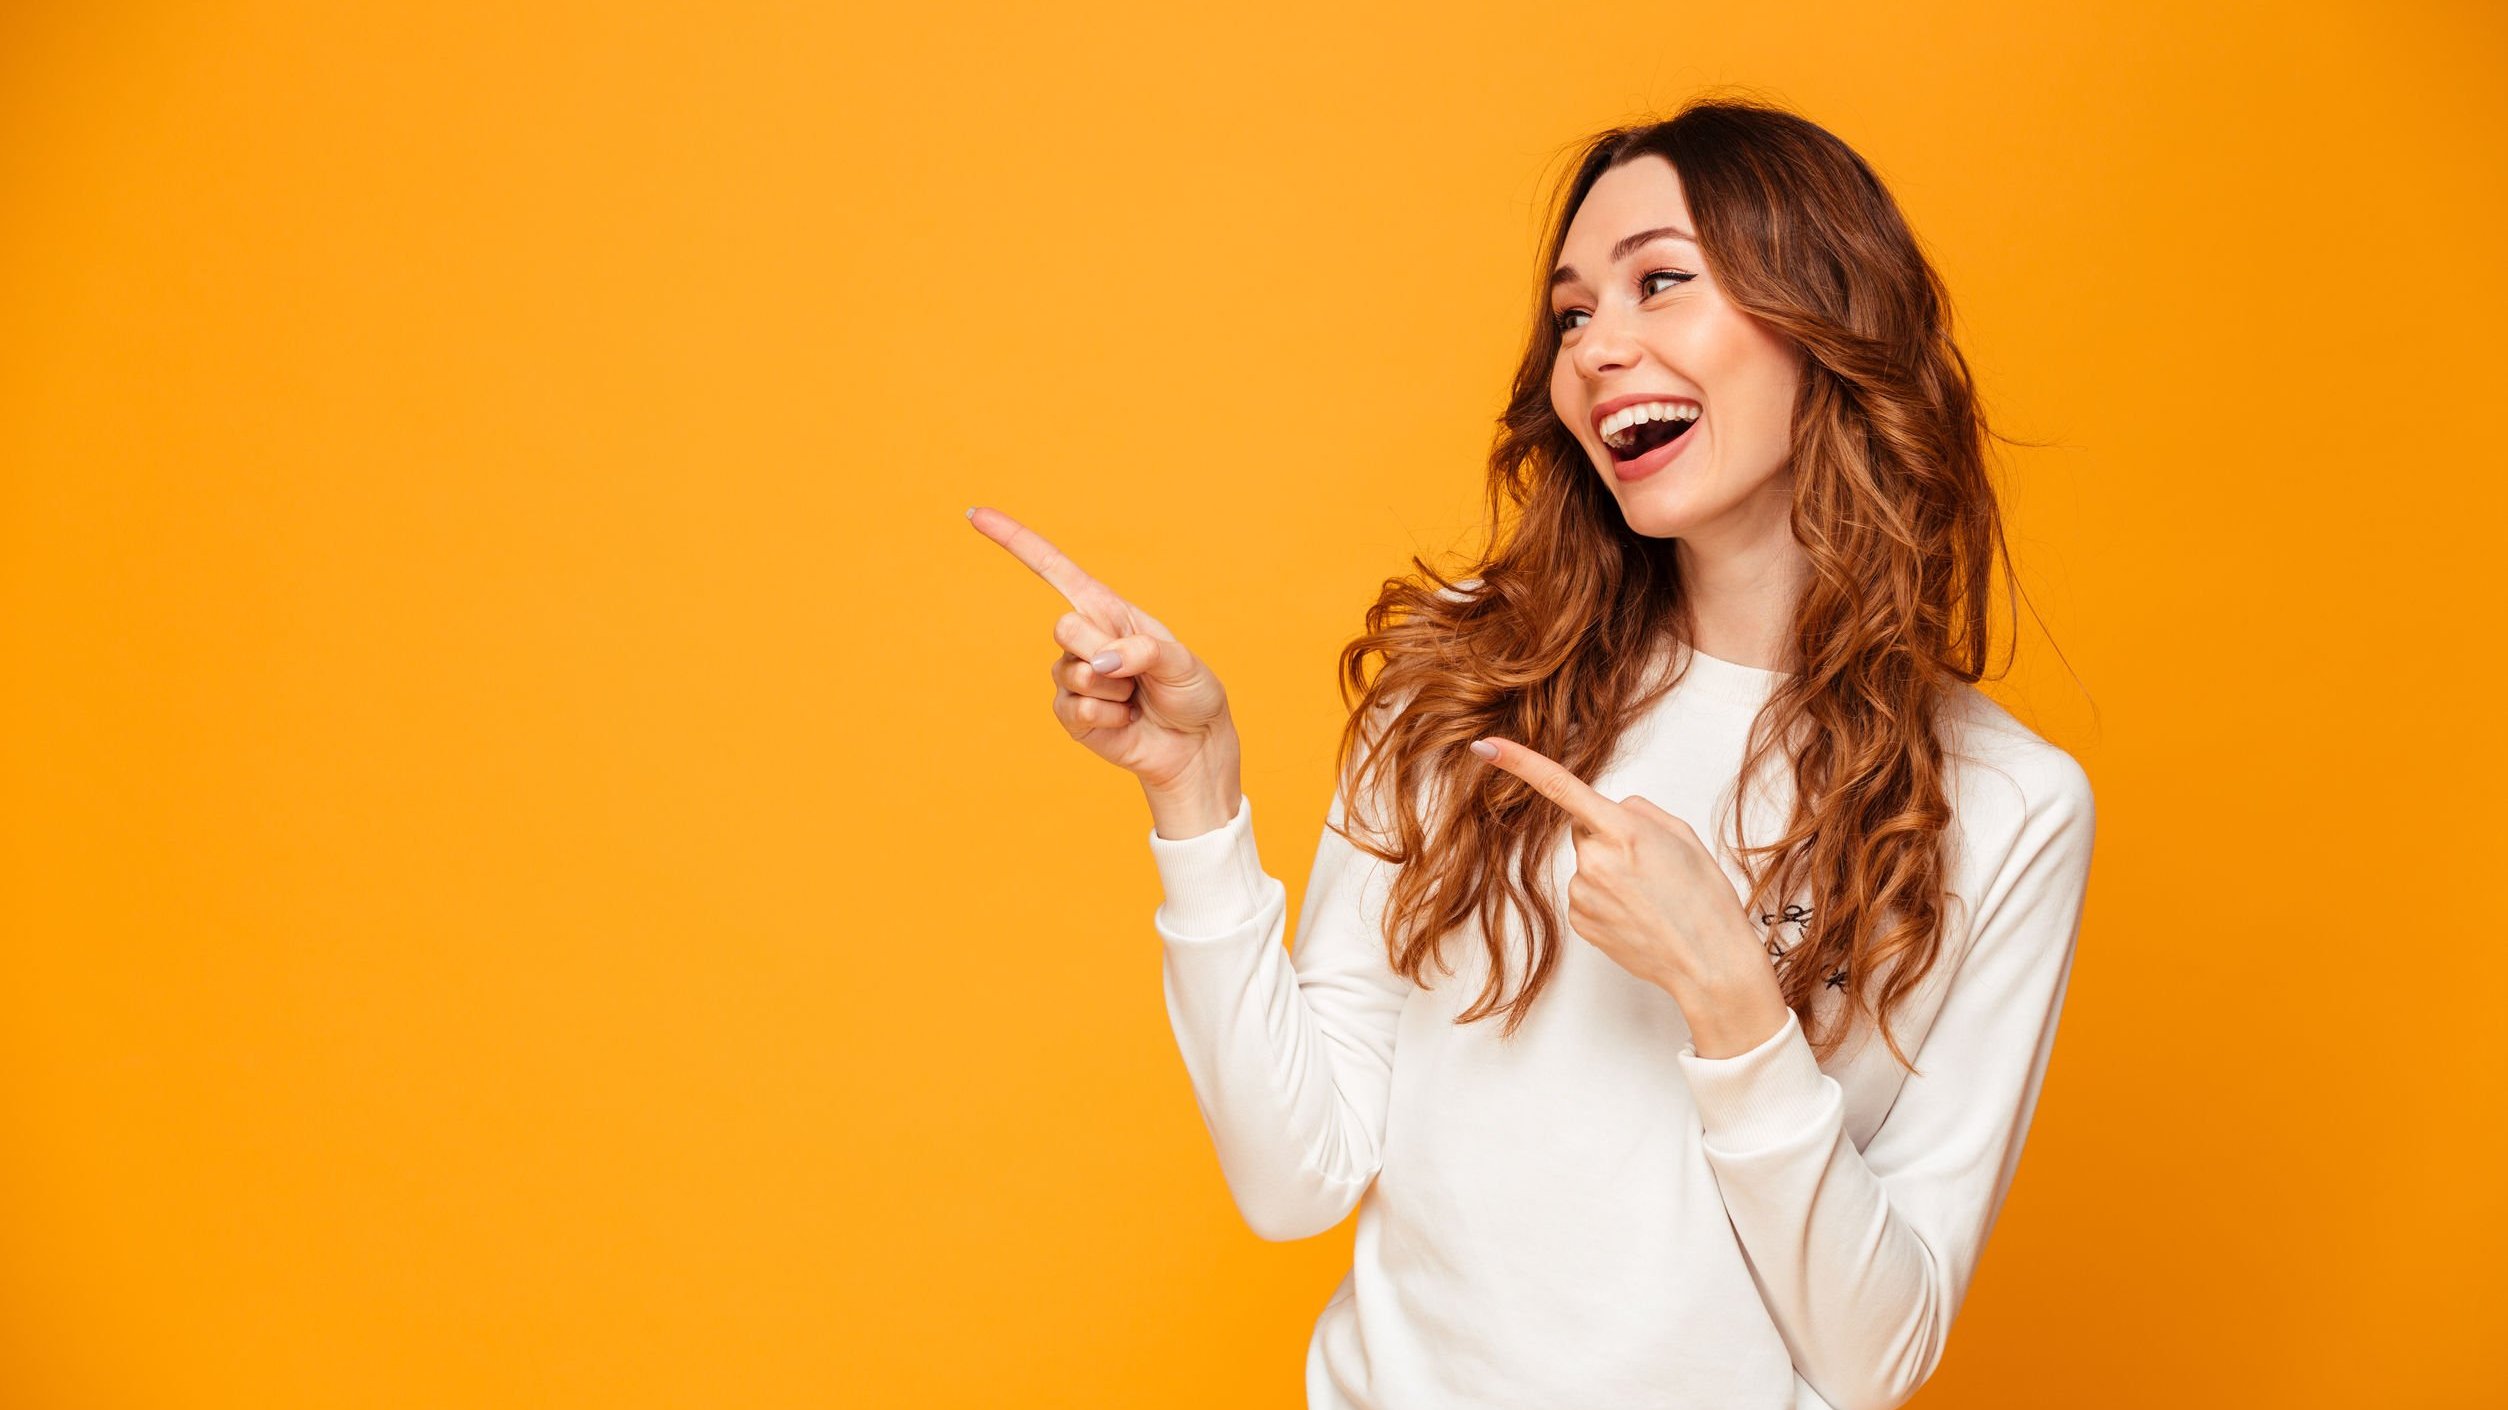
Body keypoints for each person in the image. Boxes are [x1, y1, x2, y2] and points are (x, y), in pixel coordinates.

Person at [967, 95, 2096, 1410]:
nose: (1597, 349)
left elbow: (1878, 1352)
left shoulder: (2007, 806)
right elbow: (1297, 1175)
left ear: (1822, 321)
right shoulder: (1466, 686)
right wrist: (1194, 794)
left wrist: (1733, 996)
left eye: (1657, 284)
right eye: (1572, 315)